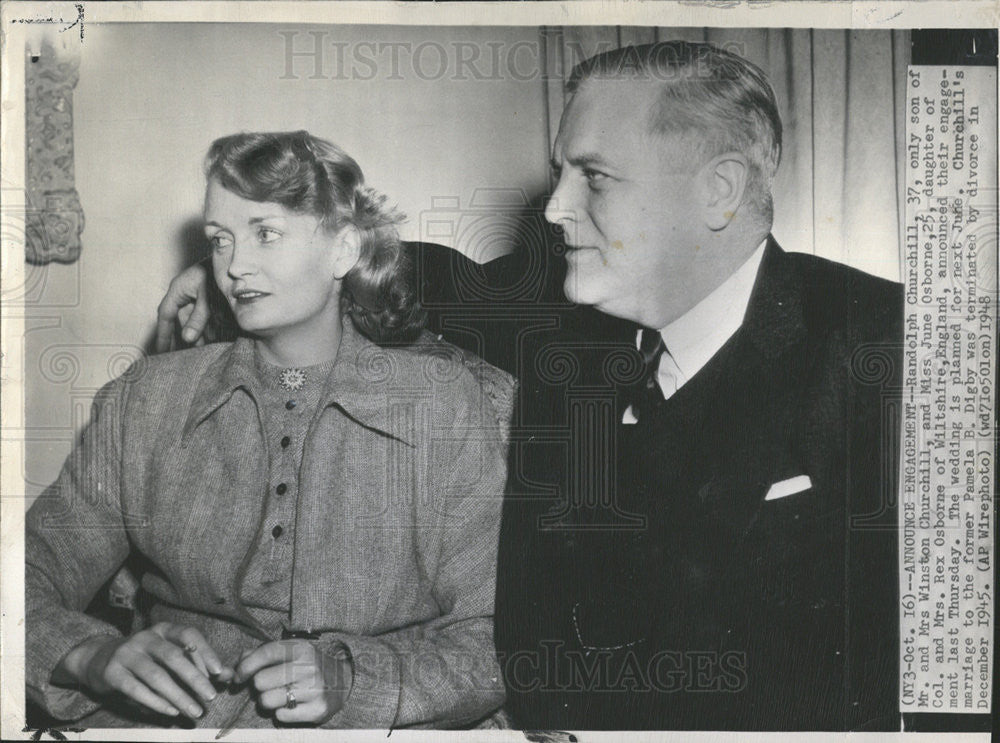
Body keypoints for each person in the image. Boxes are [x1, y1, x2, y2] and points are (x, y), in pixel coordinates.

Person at [155, 42, 903, 731]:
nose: (554, 209)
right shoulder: (568, 329)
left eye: (596, 177)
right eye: (560, 174)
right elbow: (443, 278)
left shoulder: (890, 349)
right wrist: (247, 278)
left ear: (720, 190)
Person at [26, 131, 513, 730]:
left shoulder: (446, 405)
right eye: (219, 240)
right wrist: (87, 653)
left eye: (266, 233)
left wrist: (355, 677)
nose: (234, 267)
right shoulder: (144, 400)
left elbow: (493, 644)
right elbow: (25, 572)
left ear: (342, 252)